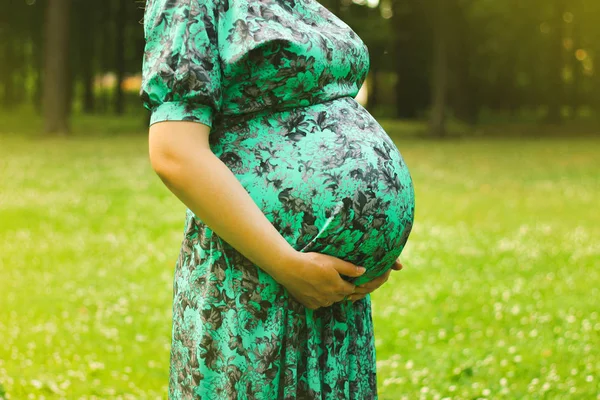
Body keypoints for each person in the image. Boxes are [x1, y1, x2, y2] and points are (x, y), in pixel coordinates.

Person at [140, 0, 415, 398]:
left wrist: (369, 241)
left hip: (332, 297)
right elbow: (174, 153)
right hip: (259, 283)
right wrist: (288, 266)